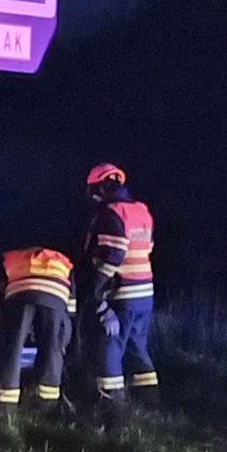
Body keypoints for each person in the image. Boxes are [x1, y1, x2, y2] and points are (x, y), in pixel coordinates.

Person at [82, 163, 158, 413]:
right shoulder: (142, 211)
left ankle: (113, 408)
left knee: (109, 348)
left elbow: (111, 257)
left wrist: (97, 296)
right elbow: (147, 248)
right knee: (137, 347)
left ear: (102, 187)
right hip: (145, 293)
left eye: (93, 191)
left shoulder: (110, 214)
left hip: (121, 295)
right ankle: (149, 403)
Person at [0, 246, 76, 423]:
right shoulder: (61, 258)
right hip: (56, 295)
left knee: (10, 350)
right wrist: (62, 338)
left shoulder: (5, 257)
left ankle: (2, 411)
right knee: (51, 352)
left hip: (20, 294)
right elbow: (70, 307)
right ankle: (45, 410)